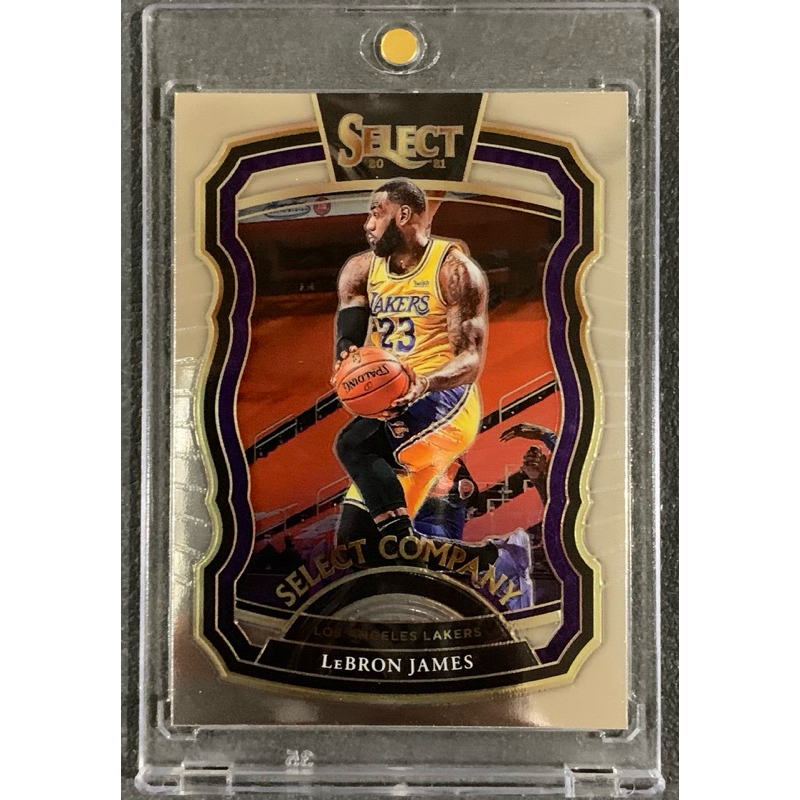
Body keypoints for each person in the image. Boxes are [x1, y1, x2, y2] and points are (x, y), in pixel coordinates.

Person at [332, 177, 510, 572]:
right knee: (353, 548)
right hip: (396, 405)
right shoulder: (360, 270)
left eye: (376, 213)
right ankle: (475, 559)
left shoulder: (454, 270)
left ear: (403, 215)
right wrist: (344, 361)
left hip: (446, 401)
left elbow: (470, 361)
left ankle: (403, 538)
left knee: (353, 443)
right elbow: (348, 338)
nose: (367, 224)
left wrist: (424, 383)